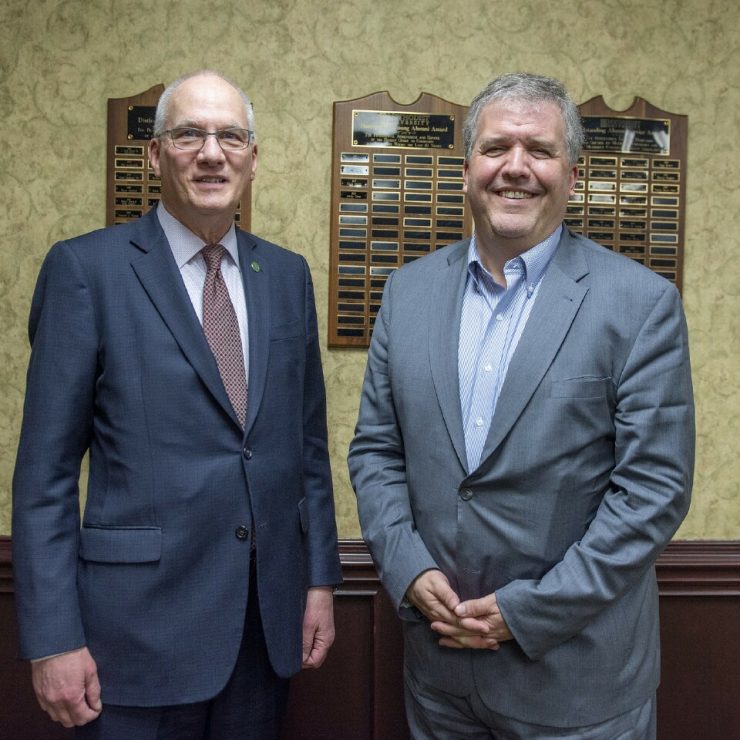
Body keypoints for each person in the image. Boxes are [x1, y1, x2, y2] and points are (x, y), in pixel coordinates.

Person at [348, 72, 694, 738]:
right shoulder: (407, 294)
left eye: (538, 150)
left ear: (571, 173)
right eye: (496, 147)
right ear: (468, 166)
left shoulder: (640, 305)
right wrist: (407, 567)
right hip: (440, 675)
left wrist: (530, 612)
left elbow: (653, 491)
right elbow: (376, 450)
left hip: (578, 688)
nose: (515, 167)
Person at [13, 70, 341, 740]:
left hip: (260, 632)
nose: (212, 152)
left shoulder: (286, 275)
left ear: (254, 157)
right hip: (130, 638)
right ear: (156, 155)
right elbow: (44, 478)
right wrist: (51, 638)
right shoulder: (87, 271)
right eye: (189, 133)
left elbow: (306, 449)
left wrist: (319, 582)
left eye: (230, 136)